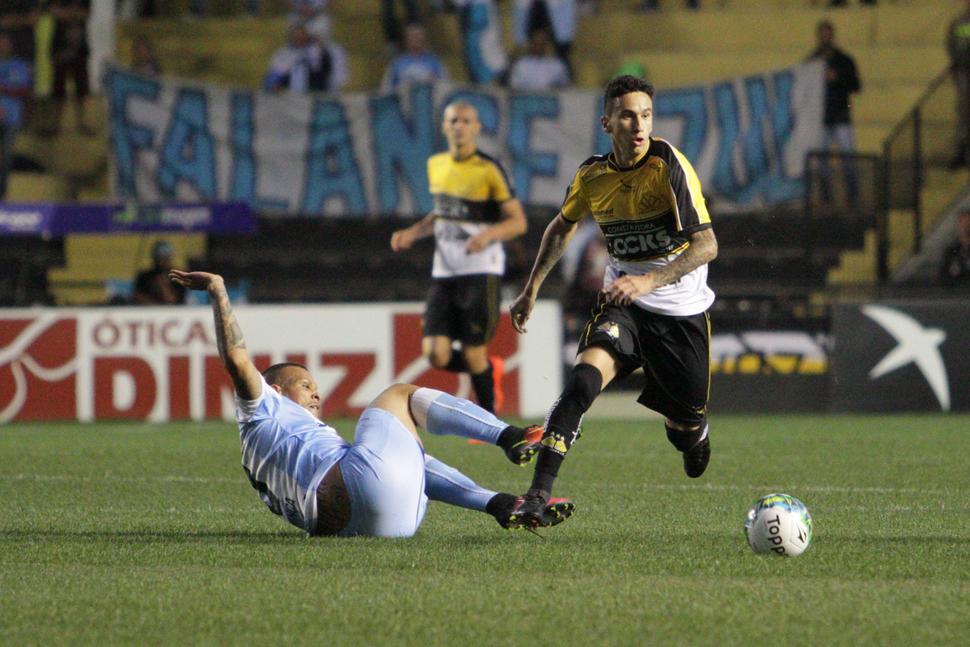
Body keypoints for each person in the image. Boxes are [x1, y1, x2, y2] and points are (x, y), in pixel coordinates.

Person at [167, 268, 574, 537]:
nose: (316, 394)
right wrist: (218, 290)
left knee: (410, 457)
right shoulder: (261, 408)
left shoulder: (267, 447)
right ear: (274, 389)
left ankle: (502, 505)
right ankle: (510, 436)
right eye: (304, 385)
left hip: (359, 525)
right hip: (364, 494)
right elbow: (237, 359)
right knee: (398, 395)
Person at [506, 75, 718, 528]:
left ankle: (693, 430)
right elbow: (562, 226)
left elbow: (707, 246)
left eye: (646, 115)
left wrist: (650, 281)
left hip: (680, 312)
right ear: (607, 123)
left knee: (685, 437)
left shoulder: (668, 165)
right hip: (624, 304)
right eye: (627, 116)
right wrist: (532, 288)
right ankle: (536, 496)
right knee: (582, 383)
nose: (638, 126)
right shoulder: (592, 176)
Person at [390, 101, 527, 414]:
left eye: (466, 121)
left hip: (481, 270)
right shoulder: (437, 165)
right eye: (453, 121)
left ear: (476, 128)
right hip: (445, 272)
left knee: (473, 352)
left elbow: (518, 222)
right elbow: (441, 212)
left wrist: (487, 236)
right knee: (435, 354)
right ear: (444, 127)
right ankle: (488, 370)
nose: (459, 126)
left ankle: (489, 423)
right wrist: (413, 232)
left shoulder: (489, 169)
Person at [807, 19, 861, 203]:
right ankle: (826, 198)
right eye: (822, 35)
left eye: (827, 34)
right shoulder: (812, 62)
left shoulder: (844, 61)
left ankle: (852, 196)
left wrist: (837, 78)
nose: (825, 38)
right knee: (822, 162)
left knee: (848, 158)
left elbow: (856, 86)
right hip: (821, 119)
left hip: (841, 116)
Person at [263, 23, 347, 94]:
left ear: (308, 36)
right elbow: (275, 74)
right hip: (289, 93)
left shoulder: (317, 51)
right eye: (296, 35)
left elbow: (324, 71)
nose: (299, 38)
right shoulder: (283, 53)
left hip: (314, 92)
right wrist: (275, 85)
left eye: (302, 35)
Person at [0, 31, 32, 200]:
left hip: (11, 118)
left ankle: (2, 194)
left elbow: (24, 90)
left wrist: (4, 89)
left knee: (6, 157)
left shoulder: (19, 65)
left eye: (5, 42)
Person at [380, 22, 447, 92]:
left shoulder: (434, 61)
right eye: (413, 36)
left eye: (419, 36)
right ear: (407, 39)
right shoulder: (397, 63)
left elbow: (445, 84)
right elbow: (385, 88)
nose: (416, 39)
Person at [508, 27, 571, 91]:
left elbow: (566, 86)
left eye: (542, 43)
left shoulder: (557, 65)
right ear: (531, 44)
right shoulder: (521, 64)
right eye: (536, 43)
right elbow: (514, 86)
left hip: (550, 96)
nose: (539, 47)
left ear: (547, 44)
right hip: (527, 96)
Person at [946, 0, 970, 170]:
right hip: (964, 71)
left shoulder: (960, 23)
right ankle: (961, 151)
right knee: (963, 113)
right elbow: (954, 45)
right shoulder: (961, 22)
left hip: (962, 71)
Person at [132, 240, 186, 305]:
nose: (161, 262)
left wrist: (163, 286)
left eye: (165, 259)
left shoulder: (178, 277)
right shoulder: (144, 277)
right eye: (159, 258)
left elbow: (173, 301)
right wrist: (152, 304)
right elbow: (137, 296)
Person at [940, 210, 970, 287]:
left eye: (967, 222)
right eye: (962, 222)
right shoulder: (951, 252)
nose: (965, 226)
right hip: (955, 292)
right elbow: (942, 278)